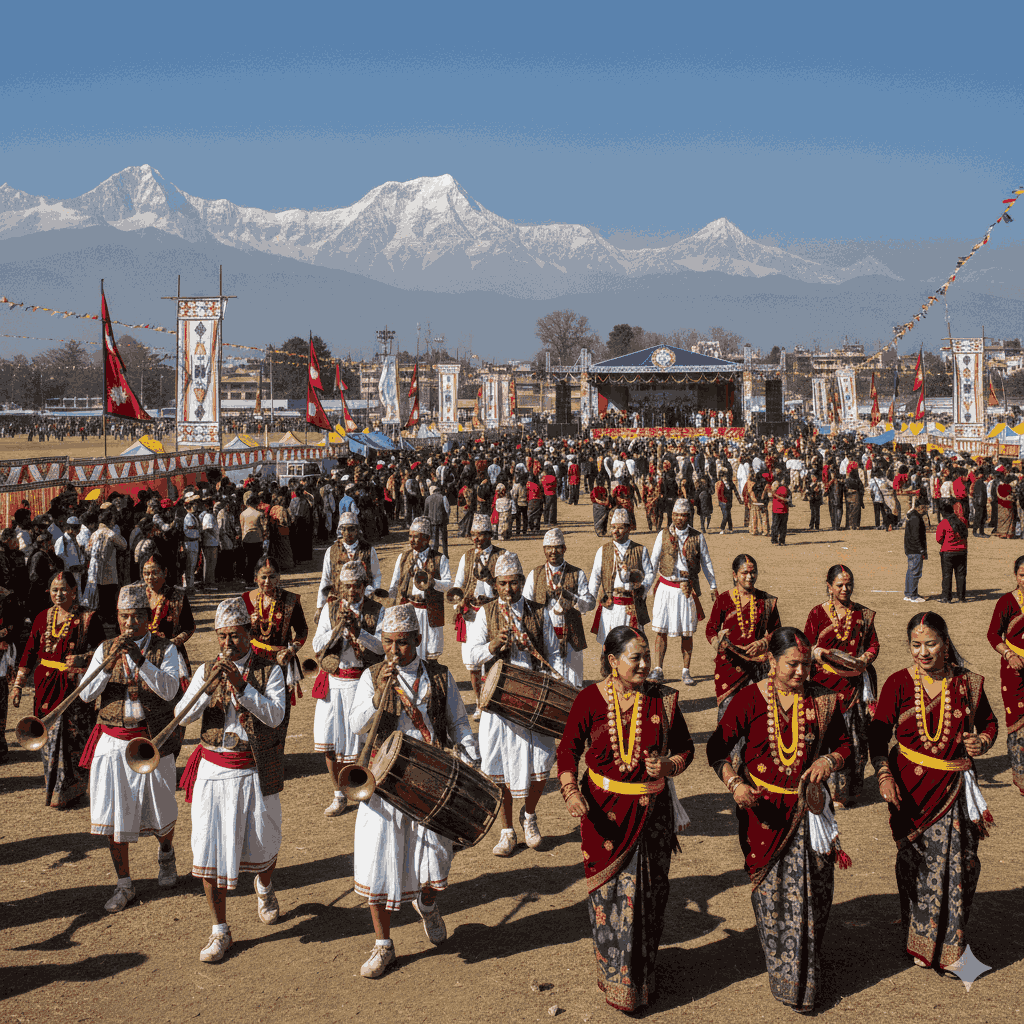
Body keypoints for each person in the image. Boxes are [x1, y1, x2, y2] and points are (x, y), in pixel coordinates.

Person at [707, 627, 852, 1013]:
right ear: (771, 662)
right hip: (763, 816)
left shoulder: (824, 700)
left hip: (811, 811)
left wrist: (828, 760)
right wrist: (735, 783)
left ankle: (806, 963)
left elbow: (845, 745)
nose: (802, 672)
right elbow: (717, 749)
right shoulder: (748, 700)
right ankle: (787, 973)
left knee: (816, 892)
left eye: (806, 664)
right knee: (772, 899)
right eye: (792, 664)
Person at [557, 625, 695, 1013]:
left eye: (647, 656)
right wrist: (571, 791)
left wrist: (667, 765)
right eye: (636, 658)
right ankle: (616, 978)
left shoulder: (663, 700)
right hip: (603, 817)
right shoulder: (589, 699)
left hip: (653, 817)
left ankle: (643, 978)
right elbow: (568, 750)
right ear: (612, 661)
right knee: (609, 899)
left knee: (649, 898)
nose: (645, 664)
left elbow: (686, 748)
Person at [351, 603, 479, 979]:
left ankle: (427, 904)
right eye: (388, 643)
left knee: (436, 859)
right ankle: (383, 945)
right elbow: (358, 724)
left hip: (432, 779)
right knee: (379, 861)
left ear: (418, 640)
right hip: (384, 779)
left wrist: (472, 758)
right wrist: (378, 695)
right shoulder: (372, 675)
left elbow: (457, 720)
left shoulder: (439, 676)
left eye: (402, 644)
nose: (394, 651)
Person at [868, 612, 997, 971]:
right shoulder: (897, 683)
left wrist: (982, 741)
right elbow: (877, 736)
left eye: (930, 644)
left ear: (945, 643)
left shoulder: (968, 684)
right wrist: (883, 776)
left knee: (960, 865)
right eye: (915, 645)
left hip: (954, 789)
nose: (922, 652)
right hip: (908, 790)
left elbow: (988, 722)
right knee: (915, 862)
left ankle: (949, 942)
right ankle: (920, 934)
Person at [176, 597, 288, 962]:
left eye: (235, 636)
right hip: (213, 769)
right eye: (222, 636)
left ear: (249, 634)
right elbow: (181, 716)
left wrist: (242, 686)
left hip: (254, 769)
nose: (228, 644)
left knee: (265, 843)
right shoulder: (206, 669)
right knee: (207, 850)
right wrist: (205, 688)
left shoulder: (269, 669)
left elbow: (274, 716)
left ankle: (265, 886)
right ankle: (220, 930)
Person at [77, 584, 184, 912]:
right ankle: (124, 883)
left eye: (137, 616)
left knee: (162, 810)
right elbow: (84, 695)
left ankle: (166, 854)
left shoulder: (165, 649)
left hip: (152, 742)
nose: (129, 623)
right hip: (112, 742)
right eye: (124, 617)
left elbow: (169, 691)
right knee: (114, 814)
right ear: (118, 618)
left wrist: (140, 661)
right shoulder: (105, 647)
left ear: (147, 618)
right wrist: (107, 666)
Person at [466, 550, 563, 856]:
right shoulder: (486, 613)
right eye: (503, 584)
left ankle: (530, 817)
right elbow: (469, 656)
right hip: (499, 702)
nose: (509, 589)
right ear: (495, 584)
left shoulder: (539, 612)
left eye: (514, 582)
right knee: (500, 768)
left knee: (541, 763)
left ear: (523, 581)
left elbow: (556, 652)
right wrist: (491, 647)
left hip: (535, 701)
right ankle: (507, 831)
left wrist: (556, 676)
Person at [12, 571, 105, 807]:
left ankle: (73, 789)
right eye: (54, 590)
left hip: (75, 688)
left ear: (74, 591)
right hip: (46, 687)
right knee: (49, 738)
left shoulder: (88, 618)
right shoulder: (42, 617)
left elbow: (104, 652)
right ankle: (53, 788)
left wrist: (84, 659)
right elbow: (29, 653)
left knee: (74, 737)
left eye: (64, 589)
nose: (59, 594)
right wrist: (18, 686)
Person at [311, 560, 384, 815]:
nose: (351, 591)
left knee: (364, 741)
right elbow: (316, 644)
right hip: (334, 682)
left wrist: (358, 631)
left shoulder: (377, 609)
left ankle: (365, 789)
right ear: (340, 587)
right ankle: (338, 794)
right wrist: (337, 628)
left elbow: (382, 647)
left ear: (365, 586)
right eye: (346, 587)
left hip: (362, 683)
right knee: (330, 743)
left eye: (356, 586)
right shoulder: (330, 609)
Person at [803, 565, 879, 808]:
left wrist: (864, 659)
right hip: (824, 686)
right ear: (829, 586)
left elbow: (873, 645)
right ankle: (826, 789)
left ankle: (850, 791)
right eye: (840, 585)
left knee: (856, 738)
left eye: (849, 584)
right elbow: (806, 647)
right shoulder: (817, 614)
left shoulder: (863, 615)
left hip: (855, 686)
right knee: (826, 739)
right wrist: (821, 653)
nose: (845, 589)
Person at [648, 498, 718, 687]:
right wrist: (645, 587)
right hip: (665, 588)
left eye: (683, 515)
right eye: (676, 515)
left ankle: (686, 671)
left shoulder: (698, 537)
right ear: (672, 516)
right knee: (660, 631)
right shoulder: (662, 535)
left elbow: (706, 563)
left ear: (689, 516)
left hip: (687, 590)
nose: (679, 518)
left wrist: (713, 586)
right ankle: (658, 669)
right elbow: (653, 562)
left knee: (687, 633)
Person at [705, 554, 781, 719]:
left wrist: (763, 642)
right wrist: (718, 643)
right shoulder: (724, 600)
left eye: (753, 572)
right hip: (730, 664)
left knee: (760, 713)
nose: (749, 577)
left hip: (759, 664)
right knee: (729, 713)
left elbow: (777, 631)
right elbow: (711, 628)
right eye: (744, 573)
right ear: (735, 575)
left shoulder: (766, 601)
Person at [523, 527, 595, 691]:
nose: (553, 551)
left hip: (571, 633)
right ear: (544, 550)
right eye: (549, 547)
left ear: (564, 548)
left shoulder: (577, 573)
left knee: (574, 682)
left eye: (557, 547)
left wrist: (573, 599)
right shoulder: (536, 574)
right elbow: (525, 604)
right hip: (544, 633)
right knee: (548, 681)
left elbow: (589, 602)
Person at [450, 514, 504, 717]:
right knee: (472, 662)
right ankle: (479, 702)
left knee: (492, 658)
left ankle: (492, 701)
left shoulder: (502, 555)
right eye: (473, 534)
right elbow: (458, 583)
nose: (476, 539)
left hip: (493, 613)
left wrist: (489, 581)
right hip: (471, 613)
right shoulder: (466, 556)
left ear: (490, 534)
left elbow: (509, 586)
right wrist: (460, 599)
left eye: (480, 534)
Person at [242, 556, 308, 716]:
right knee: (252, 707)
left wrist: (291, 651)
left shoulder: (291, 601)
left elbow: (302, 631)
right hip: (253, 662)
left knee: (278, 710)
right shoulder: (246, 600)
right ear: (255, 577)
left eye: (272, 576)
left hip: (281, 662)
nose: (267, 581)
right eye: (263, 577)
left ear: (279, 577)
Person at [985, 554, 1024, 795]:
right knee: (1019, 722)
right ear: (1015, 575)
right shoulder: (1006, 602)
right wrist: (1009, 655)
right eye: (1023, 575)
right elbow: (993, 635)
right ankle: (1021, 775)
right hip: (1014, 671)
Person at [388, 516, 452, 661]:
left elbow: (448, 584)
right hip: (409, 610)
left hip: (430, 611)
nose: (412, 540)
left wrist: (433, 582)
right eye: (410, 536)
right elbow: (394, 585)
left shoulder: (439, 559)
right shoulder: (403, 557)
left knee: (431, 653)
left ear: (427, 538)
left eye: (416, 537)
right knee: (408, 651)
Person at [587, 508, 655, 645]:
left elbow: (650, 573)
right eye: (612, 528)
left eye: (619, 528)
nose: (615, 531)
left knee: (632, 647)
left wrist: (643, 588)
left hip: (632, 607)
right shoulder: (603, 551)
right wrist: (590, 600)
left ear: (629, 528)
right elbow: (595, 577)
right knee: (610, 648)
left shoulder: (641, 550)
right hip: (610, 608)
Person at [317, 511, 382, 620]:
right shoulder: (331, 551)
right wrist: (320, 606)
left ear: (357, 530)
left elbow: (376, 576)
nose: (348, 532)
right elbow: (325, 578)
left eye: (351, 528)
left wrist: (373, 598)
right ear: (340, 530)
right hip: (339, 604)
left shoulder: (368, 550)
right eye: (344, 529)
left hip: (363, 603)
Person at [935, 498, 968, 603]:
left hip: (948, 551)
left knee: (947, 575)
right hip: (962, 550)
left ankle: (946, 597)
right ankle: (961, 597)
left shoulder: (944, 523)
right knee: (961, 575)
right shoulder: (963, 521)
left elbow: (939, 539)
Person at [903, 496, 929, 602]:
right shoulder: (916, 519)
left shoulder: (913, 517)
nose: (926, 510)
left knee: (911, 571)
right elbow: (916, 536)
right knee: (915, 572)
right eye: (924, 507)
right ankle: (912, 595)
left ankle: (909, 593)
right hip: (915, 550)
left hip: (911, 549)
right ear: (919, 507)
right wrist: (921, 550)